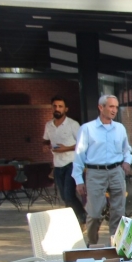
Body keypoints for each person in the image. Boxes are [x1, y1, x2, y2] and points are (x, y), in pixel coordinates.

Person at [73, 95, 132, 245]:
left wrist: (127, 161)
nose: (114, 110)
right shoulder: (87, 129)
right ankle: (92, 242)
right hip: (95, 172)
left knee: (118, 211)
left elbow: (127, 149)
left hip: (116, 171)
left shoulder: (119, 128)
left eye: (116, 107)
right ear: (101, 107)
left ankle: (115, 242)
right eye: (111, 107)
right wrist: (79, 180)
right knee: (94, 213)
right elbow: (79, 155)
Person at [42, 95, 86, 226]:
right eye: (55, 106)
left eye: (60, 106)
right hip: (58, 164)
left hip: (72, 163)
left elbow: (82, 144)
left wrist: (66, 148)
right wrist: (45, 146)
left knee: (69, 195)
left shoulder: (73, 124)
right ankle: (76, 220)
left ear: (66, 109)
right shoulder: (48, 125)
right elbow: (45, 141)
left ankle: (82, 219)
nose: (57, 109)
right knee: (64, 197)